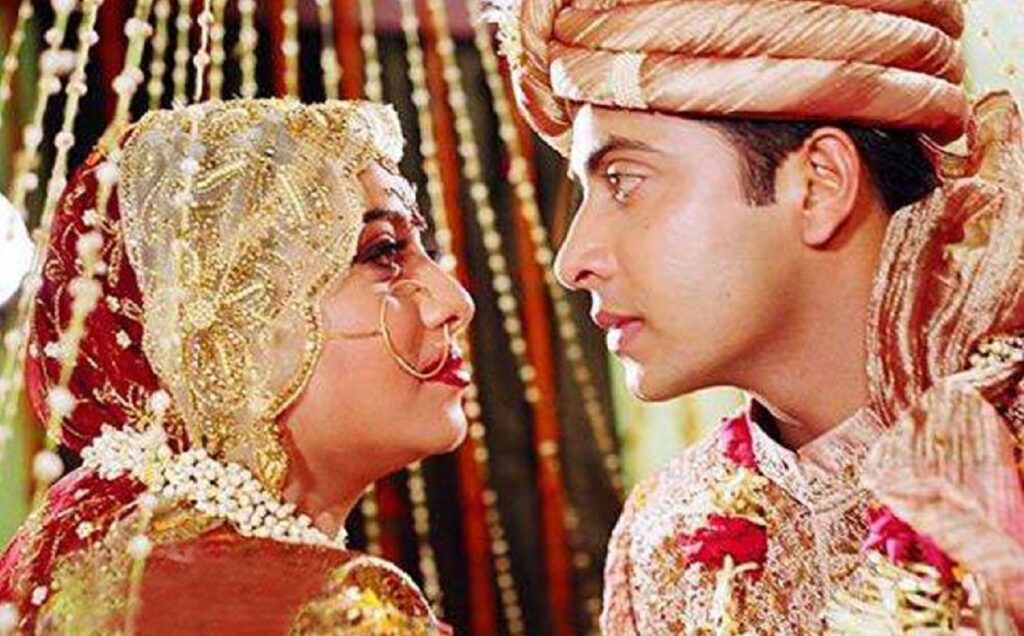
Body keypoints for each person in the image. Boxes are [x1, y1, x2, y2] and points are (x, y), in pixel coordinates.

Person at [493, 0, 1023, 633]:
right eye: (586, 193)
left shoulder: (1005, 455)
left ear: (820, 185)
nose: (572, 260)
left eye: (625, 182)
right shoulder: (664, 542)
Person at [0, 98, 473, 635]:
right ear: (232, 328)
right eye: (382, 252)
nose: (454, 302)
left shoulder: (76, 554)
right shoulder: (330, 610)